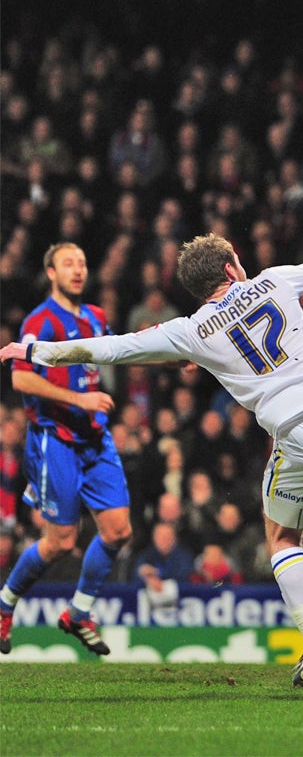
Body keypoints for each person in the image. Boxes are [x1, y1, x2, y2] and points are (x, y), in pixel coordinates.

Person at [0, 233, 303, 686]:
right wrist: (263, 281)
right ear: (232, 266)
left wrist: (40, 351)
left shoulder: (191, 330)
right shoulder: (272, 279)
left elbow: (115, 348)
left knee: (283, 538)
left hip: (302, 437)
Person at [1, 242, 133, 658]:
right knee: (60, 541)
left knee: (118, 531)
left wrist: (172, 360)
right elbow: (21, 380)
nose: (78, 270)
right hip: (54, 439)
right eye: (68, 263)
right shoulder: (40, 320)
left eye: (82, 262)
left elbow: (119, 352)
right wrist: (80, 401)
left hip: (95, 438)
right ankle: (4, 605)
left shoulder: (95, 316)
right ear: (51, 273)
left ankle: (78, 613)